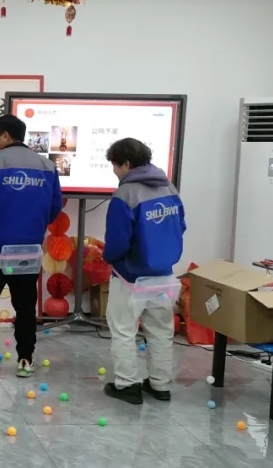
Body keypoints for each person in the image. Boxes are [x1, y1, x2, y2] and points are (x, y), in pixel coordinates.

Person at [0, 114, 62, 378]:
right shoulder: (47, 166)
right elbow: (54, 207)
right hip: (28, 252)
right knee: (25, 307)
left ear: (5, 136)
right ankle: (25, 360)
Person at [100, 138, 186, 405]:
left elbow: (118, 241)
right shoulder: (169, 187)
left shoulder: (125, 195)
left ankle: (127, 385)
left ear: (126, 164)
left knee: (123, 329)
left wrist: (108, 258)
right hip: (164, 275)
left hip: (130, 276)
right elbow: (181, 226)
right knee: (161, 330)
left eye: (115, 165)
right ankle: (160, 386)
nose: (114, 171)